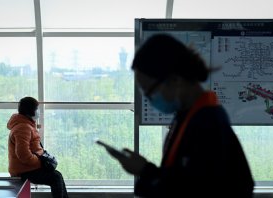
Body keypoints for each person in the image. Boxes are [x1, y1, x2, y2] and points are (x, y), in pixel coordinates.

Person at [109, 34, 255, 197]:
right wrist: (146, 170)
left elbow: (197, 190)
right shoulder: (188, 116)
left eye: (150, 91)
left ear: (175, 80)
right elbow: (182, 179)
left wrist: (146, 172)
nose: (150, 99)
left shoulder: (208, 123)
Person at [7, 96, 68, 198]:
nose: (38, 111)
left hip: (27, 167)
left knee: (57, 176)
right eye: (37, 109)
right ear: (30, 110)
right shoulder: (23, 127)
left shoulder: (26, 125)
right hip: (23, 171)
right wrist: (41, 163)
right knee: (56, 177)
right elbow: (24, 155)